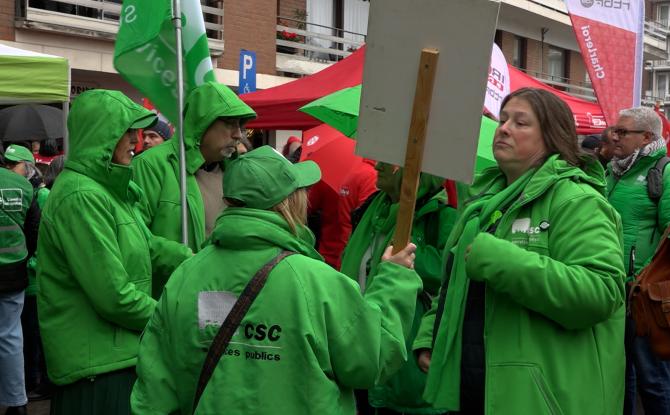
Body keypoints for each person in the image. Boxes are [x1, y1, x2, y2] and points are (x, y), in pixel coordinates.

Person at [131, 146, 422, 415]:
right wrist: (394, 279)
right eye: (299, 190)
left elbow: (155, 388)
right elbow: (371, 358)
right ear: (286, 202)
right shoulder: (315, 281)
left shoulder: (187, 273)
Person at [414, 88, 626, 414]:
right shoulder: (482, 205)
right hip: (477, 387)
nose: (504, 128)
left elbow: (600, 292)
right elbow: (453, 284)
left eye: (521, 122)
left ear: (551, 136)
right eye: (503, 119)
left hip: (541, 396)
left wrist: (502, 261)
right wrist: (431, 336)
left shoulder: (577, 200)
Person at [37, 89, 192, 415]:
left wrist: (200, 261)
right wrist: (177, 319)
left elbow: (150, 248)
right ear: (101, 135)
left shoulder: (109, 191)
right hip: (97, 372)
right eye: (126, 132)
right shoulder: (81, 196)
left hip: (118, 359)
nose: (136, 142)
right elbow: (114, 296)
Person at [341, 162, 457, 415]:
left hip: (406, 350)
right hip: (358, 342)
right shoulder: (372, 210)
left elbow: (447, 271)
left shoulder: (442, 218)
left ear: (420, 173)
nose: (379, 165)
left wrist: (407, 250)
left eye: (392, 162)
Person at [133, 82, 256, 252]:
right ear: (203, 123)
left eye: (240, 125)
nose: (238, 134)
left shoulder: (235, 171)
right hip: (177, 278)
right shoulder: (150, 165)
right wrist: (189, 264)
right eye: (229, 123)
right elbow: (135, 238)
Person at [606, 107, 670, 415]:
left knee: (653, 379)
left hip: (644, 295)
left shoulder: (664, 171)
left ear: (646, 137)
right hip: (612, 288)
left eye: (622, 132)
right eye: (614, 131)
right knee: (621, 374)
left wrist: (646, 277)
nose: (614, 137)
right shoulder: (612, 171)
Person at [0, 149, 39, 415]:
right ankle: (17, 403)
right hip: (13, 272)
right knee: (11, 336)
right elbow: (35, 230)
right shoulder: (25, 187)